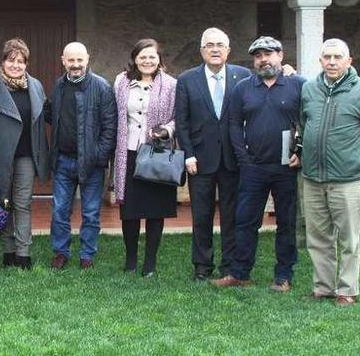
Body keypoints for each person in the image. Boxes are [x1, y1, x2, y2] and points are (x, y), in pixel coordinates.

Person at [214, 36, 305, 292]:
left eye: (269, 54)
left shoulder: (298, 85)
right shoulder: (243, 88)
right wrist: (243, 158)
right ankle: (240, 273)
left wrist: (302, 151)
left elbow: (309, 121)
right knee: (245, 221)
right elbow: (232, 124)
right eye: (258, 55)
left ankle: (283, 276)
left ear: (280, 55)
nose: (264, 59)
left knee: (286, 223)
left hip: (286, 166)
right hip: (253, 167)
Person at [300, 38, 360, 306]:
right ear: (320, 61)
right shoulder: (310, 89)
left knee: (348, 239)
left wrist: (353, 159)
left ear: (349, 61)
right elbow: (304, 123)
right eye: (327, 57)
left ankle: (347, 289)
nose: (332, 62)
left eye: (338, 57)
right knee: (318, 237)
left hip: (347, 179)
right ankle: (323, 287)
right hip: (312, 177)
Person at [175, 27, 251, 281]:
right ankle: (202, 266)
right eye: (210, 45)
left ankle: (229, 266)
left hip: (233, 160)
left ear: (228, 51)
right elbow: (182, 122)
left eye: (220, 45)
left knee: (232, 216)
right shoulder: (187, 79)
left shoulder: (244, 76)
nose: (215, 49)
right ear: (202, 51)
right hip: (200, 160)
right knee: (202, 216)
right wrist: (188, 155)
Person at [0, 38, 50, 270]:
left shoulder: (36, 86)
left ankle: (24, 254)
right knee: (4, 203)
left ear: (26, 63)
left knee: (23, 203)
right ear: (3, 61)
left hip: (28, 155)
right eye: (11, 61)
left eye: (21, 61)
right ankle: (8, 252)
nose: (16, 65)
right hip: (1, 158)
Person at [47, 42, 117, 270]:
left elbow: (110, 127)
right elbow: (51, 115)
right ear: (63, 60)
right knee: (59, 211)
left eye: (80, 60)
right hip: (63, 161)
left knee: (90, 213)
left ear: (87, 59)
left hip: (92, 164)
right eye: (71, 60)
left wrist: (99, 156)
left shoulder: (102, 87)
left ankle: (87, 255)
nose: (76, 65)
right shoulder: (58, 87)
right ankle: (60, 253)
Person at [112, 39, 178, 278]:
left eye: (152, 57)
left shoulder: (171, 85)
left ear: (159, 58)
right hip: (127, 154)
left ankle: (149, 263)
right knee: (129, 210)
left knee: (154, 210)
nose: (147, 61)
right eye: (142, 57)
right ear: (135, 59)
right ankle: (131, 261)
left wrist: (166, 130)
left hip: (156, 154)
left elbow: (178, 118)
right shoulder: (121, 82)